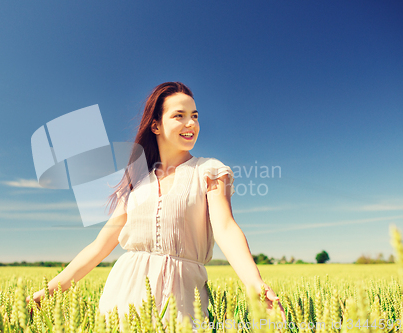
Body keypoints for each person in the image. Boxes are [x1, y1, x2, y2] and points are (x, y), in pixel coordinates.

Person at [27, 82, 285, 329]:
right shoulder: (135, 181)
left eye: (195, 116)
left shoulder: (209, 170)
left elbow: (226, 228)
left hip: (184, 300)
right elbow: (99, 246)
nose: (191, 123)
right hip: (123, 298)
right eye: (179, 116)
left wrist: (255, 285)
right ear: (156, 126)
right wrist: (49, 291)